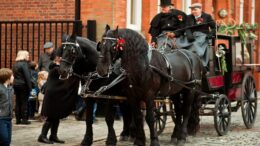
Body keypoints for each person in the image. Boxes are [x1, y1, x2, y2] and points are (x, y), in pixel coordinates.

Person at [38, 55, 79, 144]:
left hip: (55, 95)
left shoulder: (57, 68)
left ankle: (53, 136)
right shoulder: (56, 69)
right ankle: (42, 136)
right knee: (51, 117)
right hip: (52, 96)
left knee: (56, 117)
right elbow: (68, 78)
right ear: (58, 60)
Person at [179, 3, 216, 68]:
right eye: (192, 10)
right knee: (179, 43)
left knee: (195, 45)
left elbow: (214, 27)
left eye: (195, 10)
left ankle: (196, 62)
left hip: (202, 36)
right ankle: (184, 60)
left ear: (200, 9)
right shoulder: (189, 17)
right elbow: (187, 27)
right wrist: (189, 35)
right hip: (191, 36)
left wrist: (210, 34)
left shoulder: (207, 16)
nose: (193, 11)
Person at [12, 50, 32, 125]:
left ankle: (17, 119)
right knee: (24, 102)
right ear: (23, 56)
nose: (28, 56)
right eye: (27, 55)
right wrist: (30, 87)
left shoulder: (15, 64)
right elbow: (27, 76)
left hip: (16, 84)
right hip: (23, 85)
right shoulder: (24, 64)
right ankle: (24, 119)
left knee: (18, 101)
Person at [0, 68, 14, 146]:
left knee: (8, 141)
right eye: (12, 76)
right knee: (4, 139)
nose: (13, 77)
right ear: (7, 77)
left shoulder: (10, 88)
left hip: (9, 118)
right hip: (1, 118)